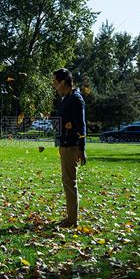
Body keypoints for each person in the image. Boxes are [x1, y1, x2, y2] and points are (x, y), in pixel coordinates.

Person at [52, 68, 87, 228]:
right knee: (67, 181)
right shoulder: (67, 98)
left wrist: (82, 149)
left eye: (56, 83)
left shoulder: (75, 99)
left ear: (64, 82)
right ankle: (71, 217)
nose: (54, 86)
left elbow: (81, 125)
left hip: (71, 146)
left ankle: (72, 220)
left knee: (70, 182)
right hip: (65, 145)